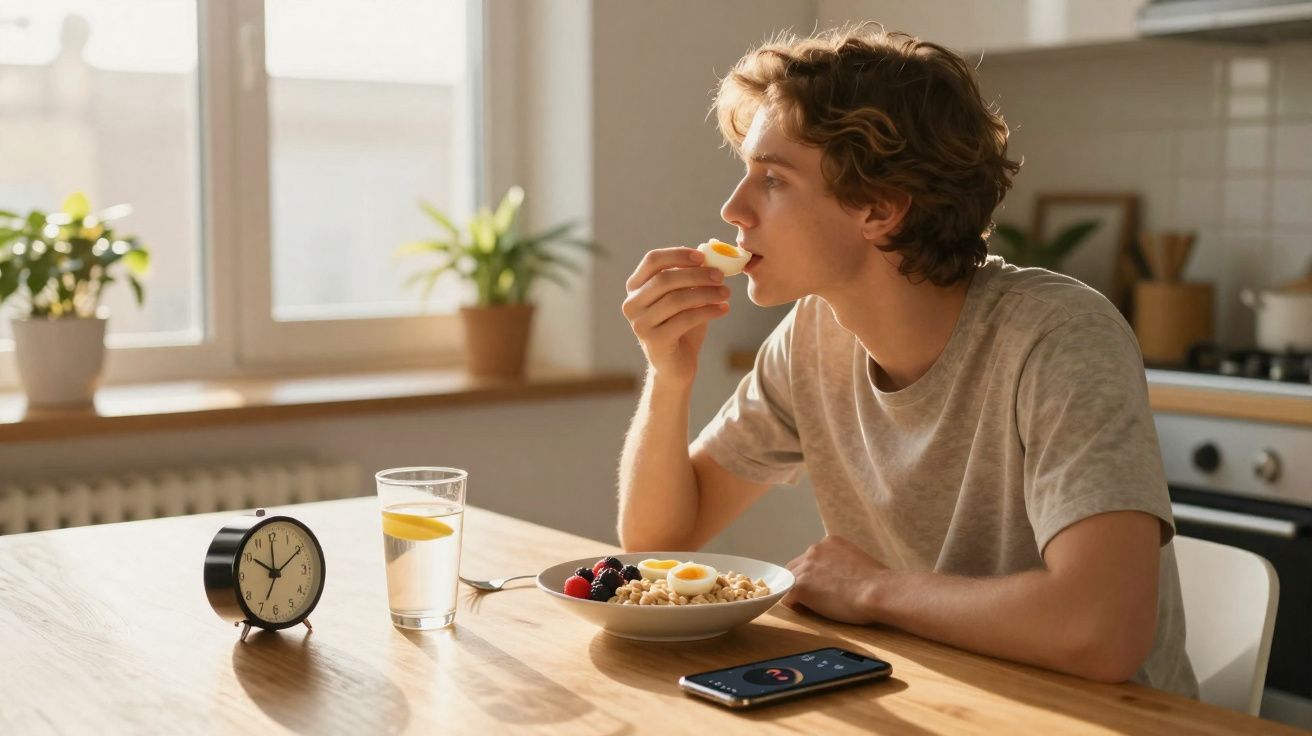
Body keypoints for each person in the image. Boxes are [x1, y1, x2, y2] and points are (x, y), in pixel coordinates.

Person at [617, 23, 1197, 696]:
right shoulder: (811, 338)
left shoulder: (1059, 337)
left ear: (881, 209)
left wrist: (872, 590)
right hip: (941, 701)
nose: (733, 209)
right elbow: (658, 544)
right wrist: (670, 375)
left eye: (772, 178)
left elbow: (1101, 632)